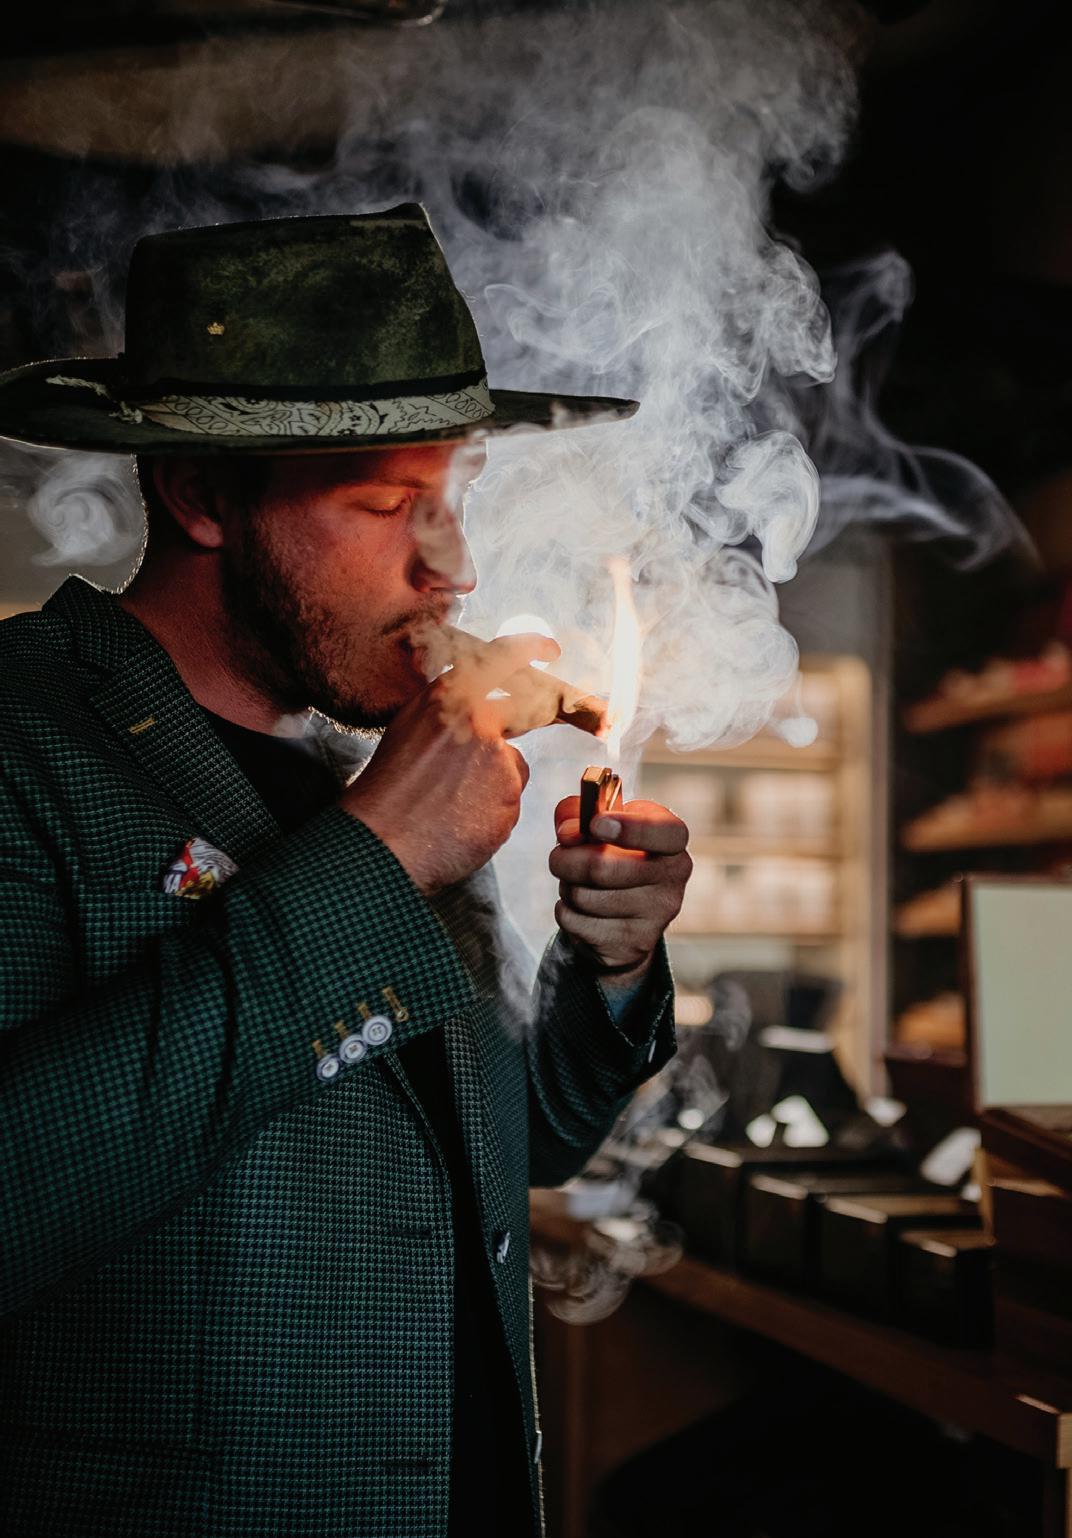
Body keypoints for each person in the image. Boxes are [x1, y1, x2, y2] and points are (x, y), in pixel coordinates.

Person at [0, 204, 692, 1537]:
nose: (454, 568)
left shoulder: (370, 761)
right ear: (201, 494)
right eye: (384, 504)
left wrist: (608, 965)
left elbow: (517, 1141)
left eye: (453, 498)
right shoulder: (27, 733)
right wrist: (375, 856)